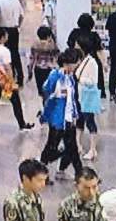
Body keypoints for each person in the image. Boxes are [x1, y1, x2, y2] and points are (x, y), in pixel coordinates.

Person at [39, 48, 82, 179]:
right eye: (76, 62)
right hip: (57, 118)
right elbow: (46, 91)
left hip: (68, 118)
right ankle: (41, 171)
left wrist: (75, 115)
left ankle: (78, 174)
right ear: (68, 63)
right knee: (52, 147)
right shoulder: (55, 75)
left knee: (72, 148)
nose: (77, 65)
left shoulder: (71, 77)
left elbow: (73, 98)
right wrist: (46, 114)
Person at [0, 27, 33, 133]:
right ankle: (22, 124)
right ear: (2, 37)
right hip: (4, 80)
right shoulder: (5, 51)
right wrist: (12, 81)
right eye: (6, 35)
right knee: (16, 102)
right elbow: (8, 68)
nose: (7, 36)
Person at [75, 34, 101, 161]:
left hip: (87, 97)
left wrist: (80, 79)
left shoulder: (92, 62)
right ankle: (78, 144)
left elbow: (93, 81)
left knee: (90, 122)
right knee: (79, 121)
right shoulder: (80, 60)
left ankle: (92, 149)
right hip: (79, 95)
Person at [67, 13, 106, 99]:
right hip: (93, 61)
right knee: (94, 84)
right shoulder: (94, 35)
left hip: (78, 61)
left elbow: (70, 46)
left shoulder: (74, 33)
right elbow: (99, 50)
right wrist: (104, 64)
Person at [30, 26, 59, 99]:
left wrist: (30, 71)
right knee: (49, 90)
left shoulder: (35, 45)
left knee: (41, 91)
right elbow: (56, 56)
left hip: (38, 69)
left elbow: (32, 59)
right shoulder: (52, 45)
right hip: (49, 69)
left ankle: (44, 102)